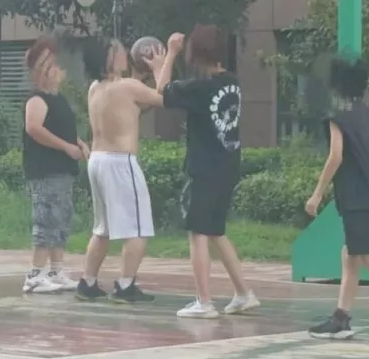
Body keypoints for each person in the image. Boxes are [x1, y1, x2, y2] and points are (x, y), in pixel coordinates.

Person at [145, 25, 260, 318]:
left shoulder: (199, 88)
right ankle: (244, 293)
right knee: (216, 231)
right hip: (228, 165)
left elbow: (162, 92)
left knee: (197, 233)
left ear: (196, 53)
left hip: (205, 168)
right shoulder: (232, 82)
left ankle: (204, 302)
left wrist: (168, 57)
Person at [305, 55, 369, 341]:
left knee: (368, 256)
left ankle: (341, 319)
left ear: (337, 86)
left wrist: (317, 194)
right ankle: (341, 318)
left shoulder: (338, 117)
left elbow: (336, 156)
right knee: (351, 254)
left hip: (357, 199)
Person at [76, 38, 163, 304]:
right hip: (119, 163)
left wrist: (140, 77)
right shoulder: (127, 87)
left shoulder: (95, 88)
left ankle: (88, 282)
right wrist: (161, 66)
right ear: (109, 59)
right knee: (137, 229)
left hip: (97, 160)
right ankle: (125, 286)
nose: (126, 52)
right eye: (119, 51)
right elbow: (163, 97)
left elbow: (134, 106)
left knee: (102, 229)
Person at [23, 37, 89, 294]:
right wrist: (65, 147)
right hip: (45, 169)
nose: (60, 70)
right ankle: (35, 275)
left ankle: (56, 271)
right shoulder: (37, 99)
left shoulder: (58, 99)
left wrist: (79, 144)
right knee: (46, 218)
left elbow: (64, 130)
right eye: (54, 66)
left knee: (61, 218)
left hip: (62, 170)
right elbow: (34, 128)